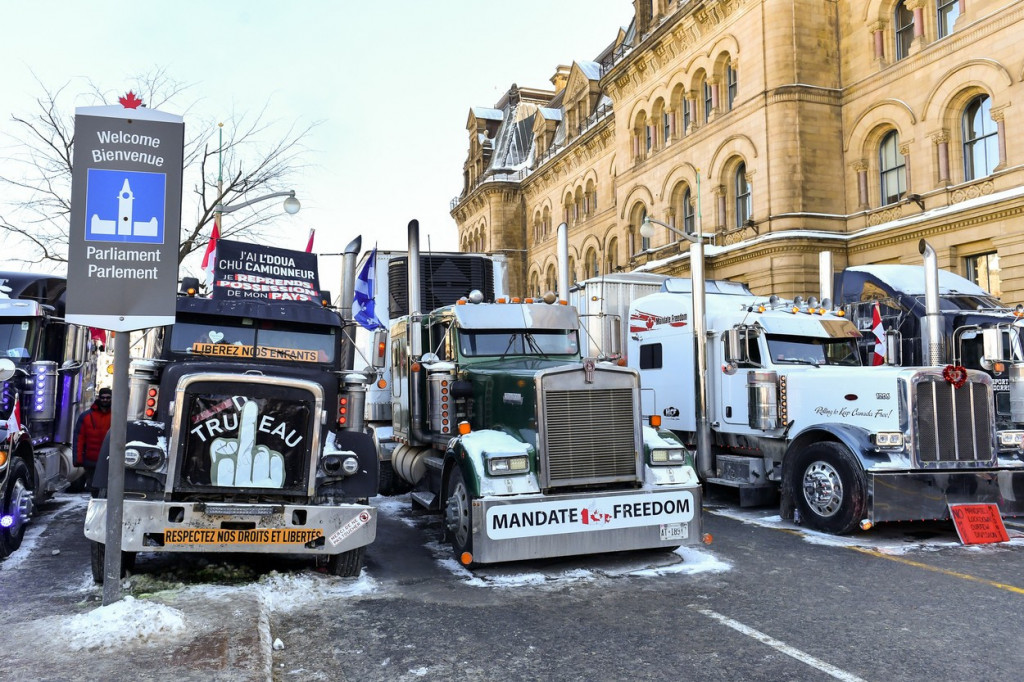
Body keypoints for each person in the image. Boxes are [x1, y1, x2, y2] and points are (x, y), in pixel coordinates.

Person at [73, 387, 112, 489]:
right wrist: (78, 459)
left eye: (108, 398)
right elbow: (79, 438)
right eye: (103, 397)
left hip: (109, 459)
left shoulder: (116, 416)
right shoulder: (86, 416)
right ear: (99, 398)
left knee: (107, 487)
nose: (105, 400)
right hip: (91, 460)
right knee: (94, 487)